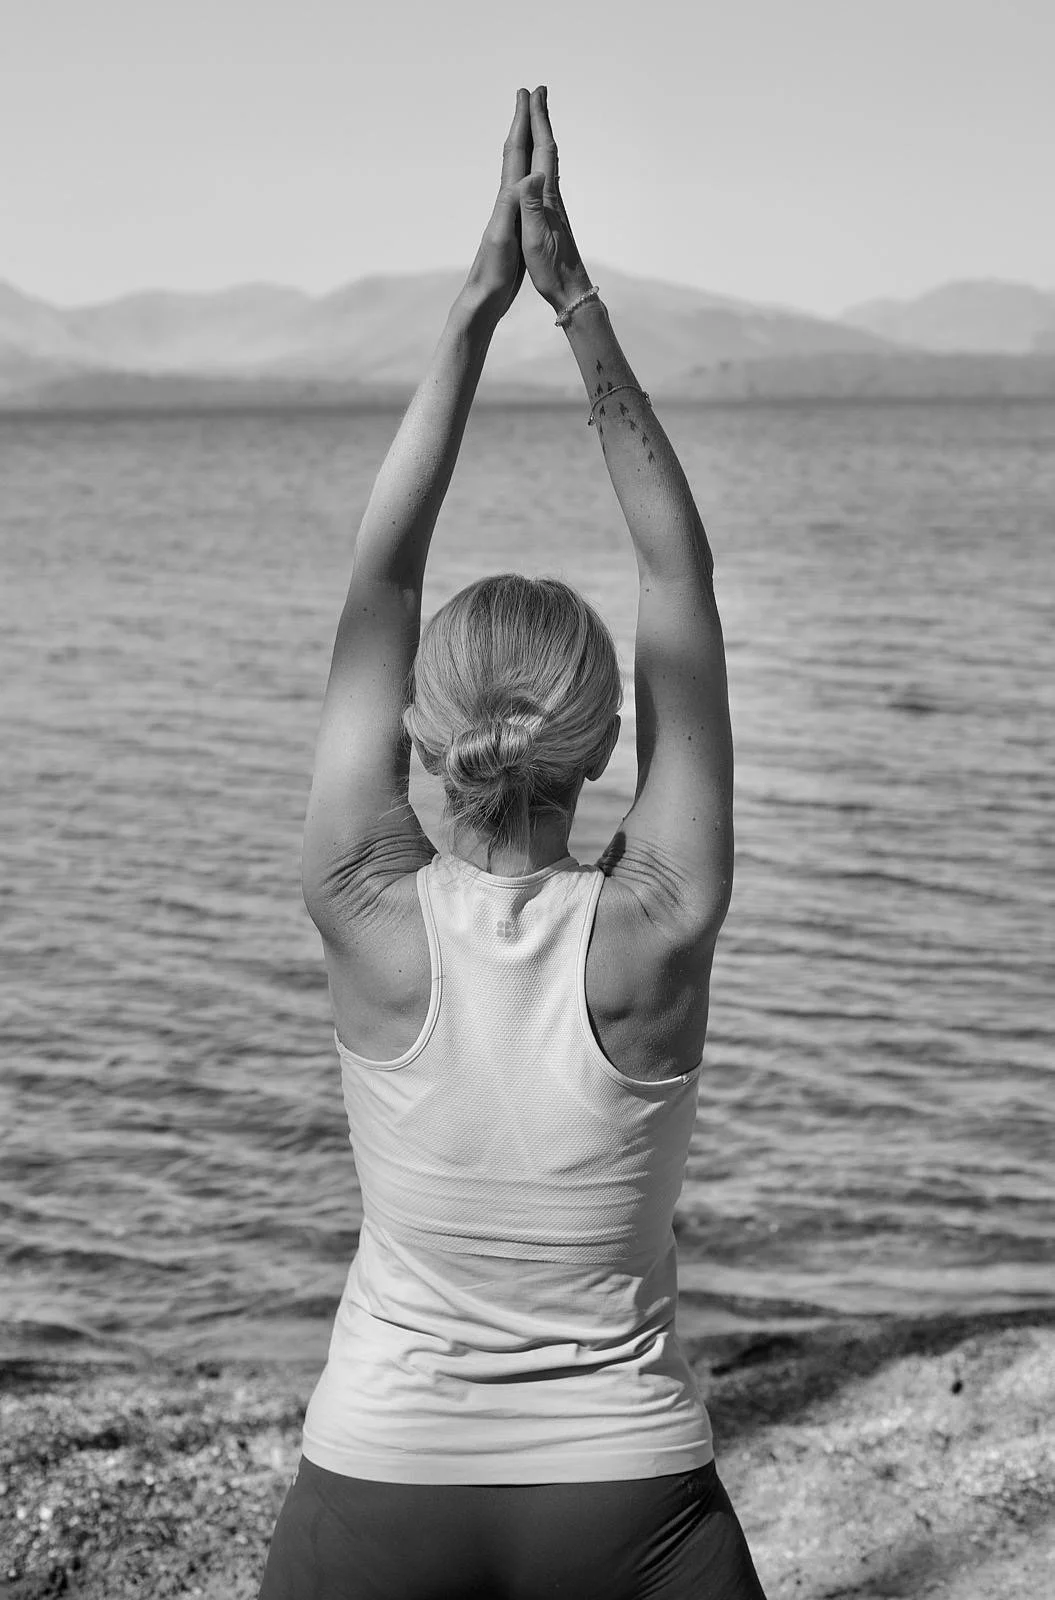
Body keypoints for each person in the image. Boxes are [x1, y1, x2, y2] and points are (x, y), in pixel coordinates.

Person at [258, 86, 765, 1600]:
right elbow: (677, 574)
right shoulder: (654, 922)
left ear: (419, 735)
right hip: (632, 1500)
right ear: (605, 748)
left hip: (376, 1483)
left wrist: (472, 309)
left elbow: (380, 578)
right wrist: (572, 303)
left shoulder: (364, 905)